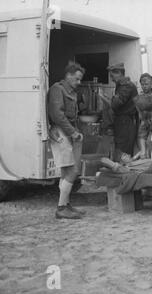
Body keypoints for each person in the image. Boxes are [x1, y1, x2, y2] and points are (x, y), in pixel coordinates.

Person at [47, 62, 86, 220]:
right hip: (61, 131)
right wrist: (73, 132)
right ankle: (61, 208)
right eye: (77, 79)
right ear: (68, 76)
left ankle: (66, 204)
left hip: (67, 131)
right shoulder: (58, 89)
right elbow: (57, 115)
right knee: (72, 170)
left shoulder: (70, 91)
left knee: (66, 171)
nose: (79, 82)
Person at [100, 63, 138, 162]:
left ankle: (123, 175)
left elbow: (116, 104)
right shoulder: (122, 85)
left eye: (112, 76)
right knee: (121, 151)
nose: (112, 79)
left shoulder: (125, 86)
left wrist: (104, 99)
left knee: (123, 152)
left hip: (125, 123)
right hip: (122, 122)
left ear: (119, 73)